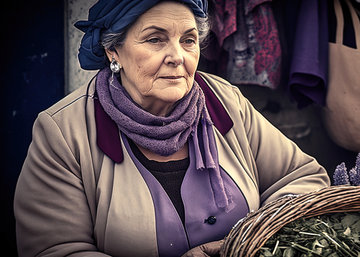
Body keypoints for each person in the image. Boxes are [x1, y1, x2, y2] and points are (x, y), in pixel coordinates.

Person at [14, 0, 330, 256]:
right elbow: (55, 249)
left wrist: (254, 236)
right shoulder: (64, 133)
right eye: (155, 39)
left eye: (188, 40)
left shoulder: (223, 101)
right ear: (114, 51)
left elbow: (303, 178)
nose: (178, 57)